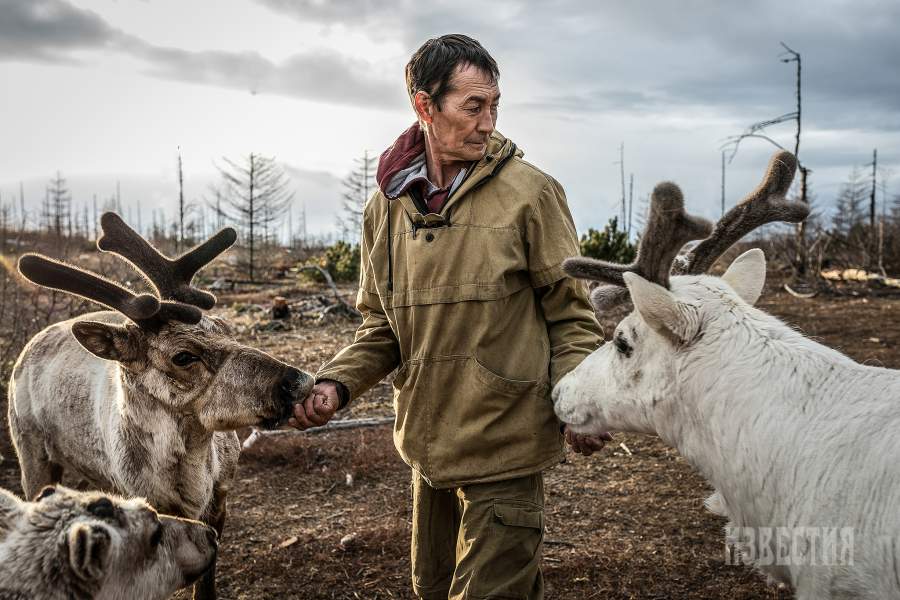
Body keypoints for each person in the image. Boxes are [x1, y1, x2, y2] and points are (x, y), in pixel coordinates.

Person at [290, 33, 610, 600]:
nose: (488, 122)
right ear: (424, 106)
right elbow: (381, 325)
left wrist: (579, 397)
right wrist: (337, 385)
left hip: (506, 442)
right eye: (472, 106)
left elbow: (572, 316)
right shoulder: (386, 207)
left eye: (494, 105)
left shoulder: (531, 195)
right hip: (429, 448)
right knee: (431, 588)